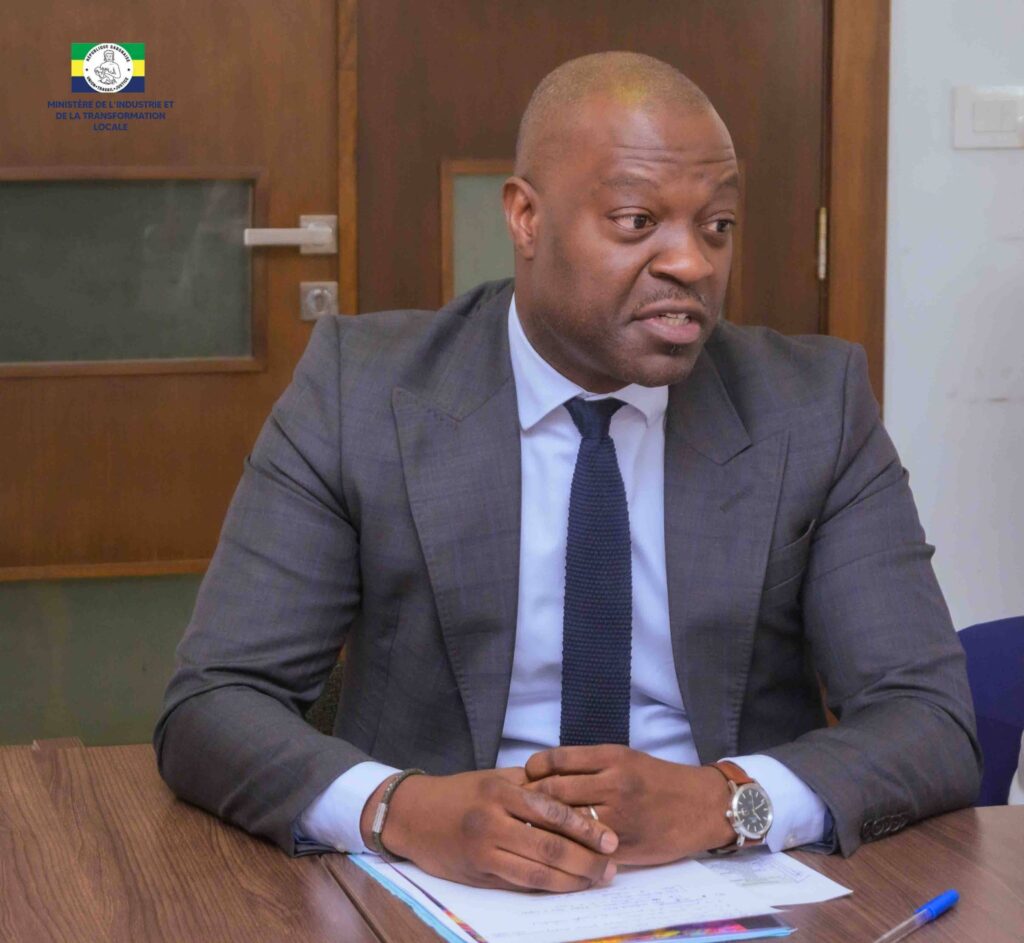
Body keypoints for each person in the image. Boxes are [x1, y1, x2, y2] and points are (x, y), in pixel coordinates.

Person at [155, 52, 980, 893]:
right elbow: (215, 700)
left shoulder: (811, 408)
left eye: (717, 226)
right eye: (637, 221)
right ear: (526, 218)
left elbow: (929, 719)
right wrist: (401, 809)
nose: (693, 263)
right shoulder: (360, 391)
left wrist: (725, 801)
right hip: (438, 885)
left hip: (725, 881)